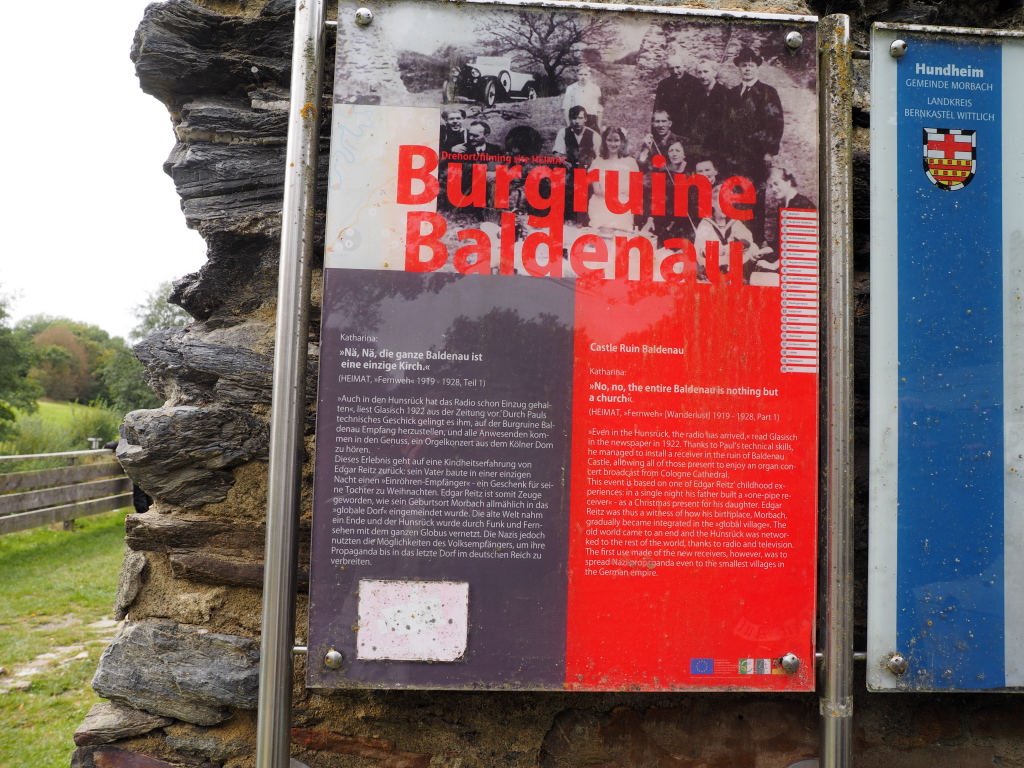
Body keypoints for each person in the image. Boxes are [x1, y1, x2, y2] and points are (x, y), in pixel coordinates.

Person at [723, 47, 785, 244]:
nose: (747, 69)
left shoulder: (768, 92)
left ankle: (756, 241)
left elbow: (776, 123)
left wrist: (769, 152)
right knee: (735, 196)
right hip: (734, 156)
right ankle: (736, 240)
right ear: (739, 68)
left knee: (755, 197)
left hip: (757, 156)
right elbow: (725, 125)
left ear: (757, 68)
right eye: (744, 65)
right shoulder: (731, 94)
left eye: (751, 65)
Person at [694, 183, 774, 284]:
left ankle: (737, 274)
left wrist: (739, 244)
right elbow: (699, 246)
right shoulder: (706, 223)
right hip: (714, 258)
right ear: (712, 203)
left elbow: (746, 236)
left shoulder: (733, 221)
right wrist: (708, 249)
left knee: (753, 247)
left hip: (730, 256)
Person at [587, 126, 640, 232]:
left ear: (622, 141)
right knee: (604, 231)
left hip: (623, 204)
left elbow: (635, 191)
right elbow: (597, 191)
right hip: (601, 204)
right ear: (604, 141)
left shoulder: (631, 162)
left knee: (621, 232)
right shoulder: (596, 162)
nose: (613, 144)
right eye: (609, 140)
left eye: (616, 140)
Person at [653, 52, 703, 140]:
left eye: (678, 67)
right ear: (668, 69)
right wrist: (655, 133)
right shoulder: (663, 85)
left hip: (688, 130)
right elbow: (657, 110)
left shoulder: (695, 83)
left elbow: (698, 112)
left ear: (684, 66)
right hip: (668, 129)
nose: (675, 71)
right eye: (671, 68)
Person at [688, 59, 730, 161]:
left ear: (714, 73)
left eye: (706, 71)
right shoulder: (695, 94)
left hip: (721, 145)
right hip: (700, 144)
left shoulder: (725, 94)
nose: (703, 76)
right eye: (699, 72)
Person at [562, 63, 603, 132]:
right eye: (580, 74)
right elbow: (566, 109)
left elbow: (599, 111)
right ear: (576, 75)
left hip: (591, 121)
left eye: (585, 74)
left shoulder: (595, 88)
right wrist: (568, 126)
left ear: (589, 75)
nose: (583, 77)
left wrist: (598, 127)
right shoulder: (571, 88)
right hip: (577, 120)